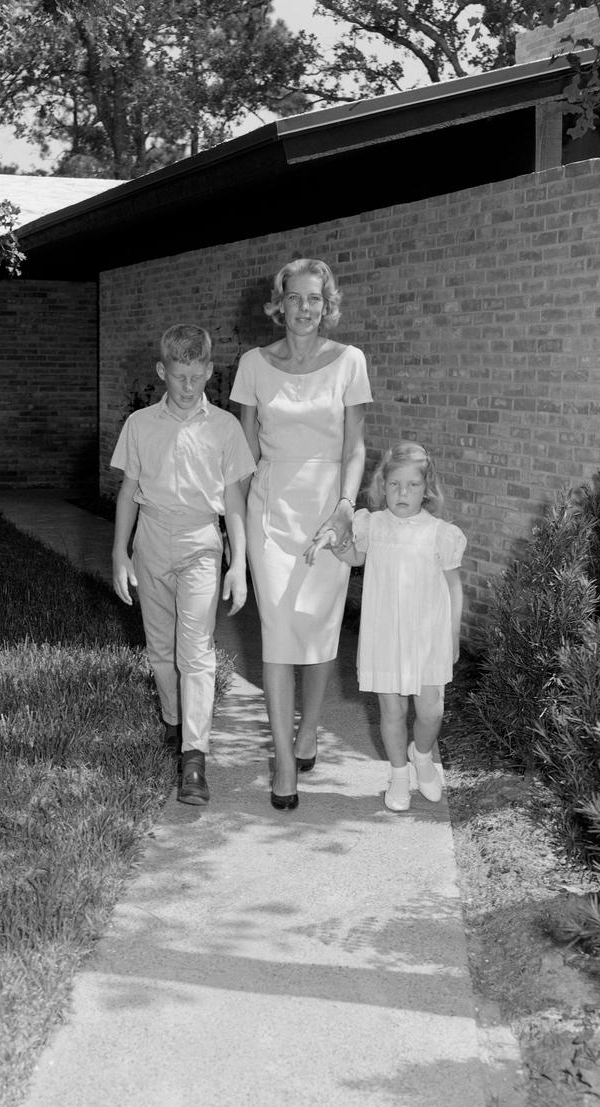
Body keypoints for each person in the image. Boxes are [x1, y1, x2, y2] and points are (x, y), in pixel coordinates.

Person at [229, 258, 371, 810]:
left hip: (328, 512)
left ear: (326, 305)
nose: (305, 308)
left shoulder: (350, 362)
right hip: (270, 509)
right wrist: (235, 533)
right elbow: (243, 454)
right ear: (279, 303)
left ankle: (309, 729)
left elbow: (354, 447)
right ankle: (284, 760)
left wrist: (345, 509)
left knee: (318, 627)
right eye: (295, 297)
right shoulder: (253, 364)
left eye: (315, 298)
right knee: (278, 630)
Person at [111, 323, 255, 806]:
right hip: (151, 538)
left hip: (200, 541)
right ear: (162, 371)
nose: (188, 386)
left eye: (197, 376)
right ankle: (174, 722)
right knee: (160, 649)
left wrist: (238, 563)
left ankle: (194, 758)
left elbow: (234, 500)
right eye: (179, 376)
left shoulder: (225, 428)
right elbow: (129, 491)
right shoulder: (140, 424)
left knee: (195, 651)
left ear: (210, 371)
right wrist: (120, 552)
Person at [312, 441, 465, 812]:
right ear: (383, 485)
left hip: (427, 637)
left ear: (426, 488)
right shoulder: (373, 524)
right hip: (385, 634)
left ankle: (421, 755)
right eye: (395, 484)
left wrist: (453, 634)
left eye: (412, 485)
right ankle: (398, 774)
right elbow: (355, 556)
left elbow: (453, 586)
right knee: (392, 711)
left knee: (431, 711)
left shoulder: (440, 533)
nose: (403, 493)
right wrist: (339, 546)